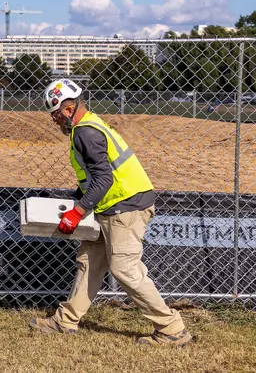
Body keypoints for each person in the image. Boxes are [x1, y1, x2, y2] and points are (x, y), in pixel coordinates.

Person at [29, 78, 192, 347]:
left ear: (68, 110)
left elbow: (103, 180)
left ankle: (172, 328)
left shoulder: (85, 133)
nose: (54, 121)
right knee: (90, 260)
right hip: (110, 205)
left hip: (125, 206)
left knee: (125, 269)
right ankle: (66, 320)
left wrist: (77, 212)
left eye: (55, 115)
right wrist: (79, 202)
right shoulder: (88, 125)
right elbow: (94, 178)